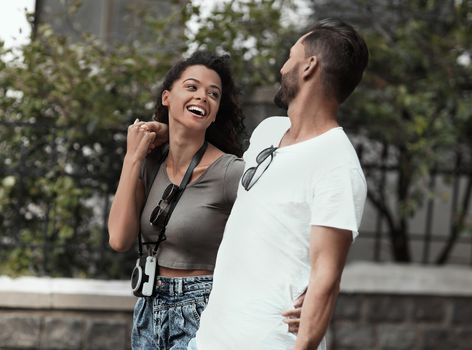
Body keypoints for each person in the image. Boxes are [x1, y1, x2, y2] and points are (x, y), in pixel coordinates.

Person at [188, 18, 369, 350]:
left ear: (309, 66)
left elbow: (326, 282)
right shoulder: (268, 132)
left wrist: (316, 298)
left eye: (290, 56)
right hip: (207, 340)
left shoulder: (337, 165)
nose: (282, 67)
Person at [107, 51, 246, 349]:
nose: (203, 97)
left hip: (203, 309)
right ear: (167, 97)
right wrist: (133, 157)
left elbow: (275, 225)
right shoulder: (149, 163)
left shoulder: (229, 172)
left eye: (214, 94)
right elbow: (119, 239)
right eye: (192, 87)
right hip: (148, 306)